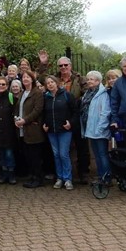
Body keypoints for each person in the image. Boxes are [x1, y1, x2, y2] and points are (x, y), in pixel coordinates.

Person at [38, 51, 90, 184]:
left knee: (81, 146)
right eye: (60, 66)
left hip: (75, 116)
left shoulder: (79, 79)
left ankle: (83, 173)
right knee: (57, 151)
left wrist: (77, 103)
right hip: (58, 120)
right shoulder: (54, 79)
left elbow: (87, 93)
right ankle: (59, 174)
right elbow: (41, 79)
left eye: (65, 65)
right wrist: (43, 64)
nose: (63, 68)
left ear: (70, 65)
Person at [42, 75, 77, 190]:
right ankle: (59, 178)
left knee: (63, 154)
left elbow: (75, 112)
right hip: (51, 130)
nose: (50, 84)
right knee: (56, 155)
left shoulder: (67, 95)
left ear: (57, 83)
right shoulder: (46, 97)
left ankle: (68, 179)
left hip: (64, 130)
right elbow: (43, 113)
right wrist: (44, 124)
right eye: (48, 83)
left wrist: (70, 123)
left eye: (52, 82)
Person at [15, 71, 45, 188]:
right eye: (23, 77)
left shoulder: (37, 93)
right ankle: (32, 176)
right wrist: (16, 119)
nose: (25, 79)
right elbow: (18, 108)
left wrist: (25, 120)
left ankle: (38, 178)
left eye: (28, 77)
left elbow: (37, 110)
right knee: (28, 155)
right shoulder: (23, 93)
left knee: (35, 156)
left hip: (33, 129)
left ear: (32, 79)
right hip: (22, 130)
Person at [81, 71, 112, 184]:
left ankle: (107, 177)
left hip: (99, 130)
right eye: (88, 79)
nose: (89, 81)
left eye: (92, 79)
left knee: (102, 154)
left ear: (98, 81)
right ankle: (100, 176)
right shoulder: (87, 93)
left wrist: (100, 128)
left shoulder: (103, 94)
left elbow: (105, 112)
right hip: (90, 129)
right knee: (97, 155)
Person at [0, 76, 17, 184]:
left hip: (9, 131)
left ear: (7, 86)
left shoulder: (11, 97)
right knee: (1, 154)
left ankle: (11, 174)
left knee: (9, 154)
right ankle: (4, 173)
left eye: (3, 84)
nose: (1, 86)